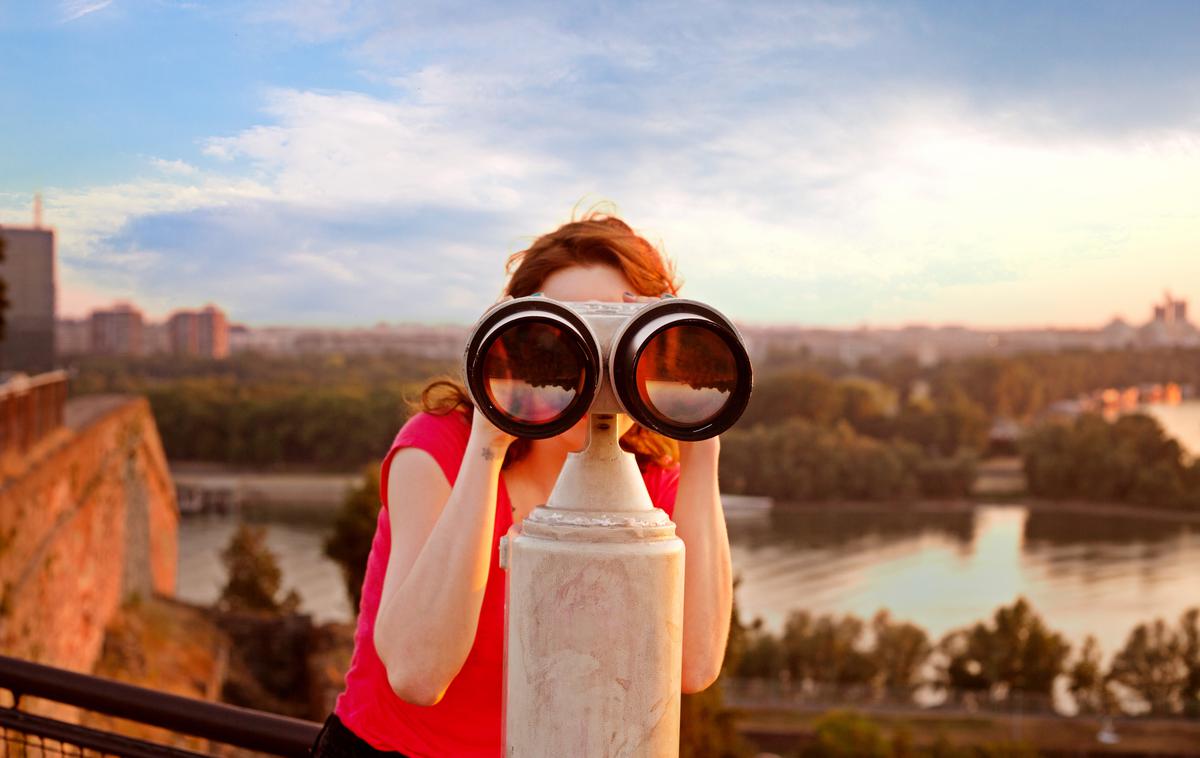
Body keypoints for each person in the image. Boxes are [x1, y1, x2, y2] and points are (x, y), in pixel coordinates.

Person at [313, 214, 734, 757]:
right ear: (514, 344)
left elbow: (694, 667)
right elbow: (418, 676)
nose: (594, 370)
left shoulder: (652, 488)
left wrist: (701, 440)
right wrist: (488, 444)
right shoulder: (441, 448)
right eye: (561, 342)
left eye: (621, 338)